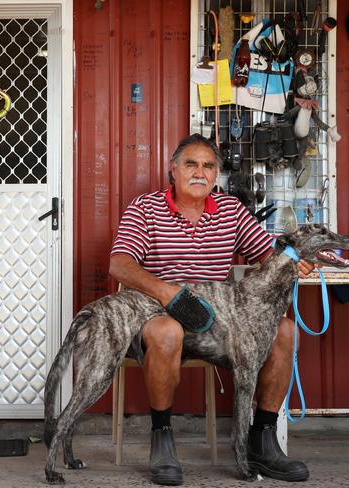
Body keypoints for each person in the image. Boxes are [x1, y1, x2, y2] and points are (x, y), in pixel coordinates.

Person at [109, 133, 313, 485]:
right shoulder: (145, 208)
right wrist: (168, 294)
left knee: (284, 331)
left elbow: (269, 256)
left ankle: (262, 441)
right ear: (173, 170)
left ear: (216, 173)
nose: (200, 172)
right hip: (155, 317)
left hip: (214, 326)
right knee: (166, 330)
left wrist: (297, 260)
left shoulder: (231, 210)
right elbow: (120, 265)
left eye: (208, 166)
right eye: (191, 164)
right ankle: (162, 437)